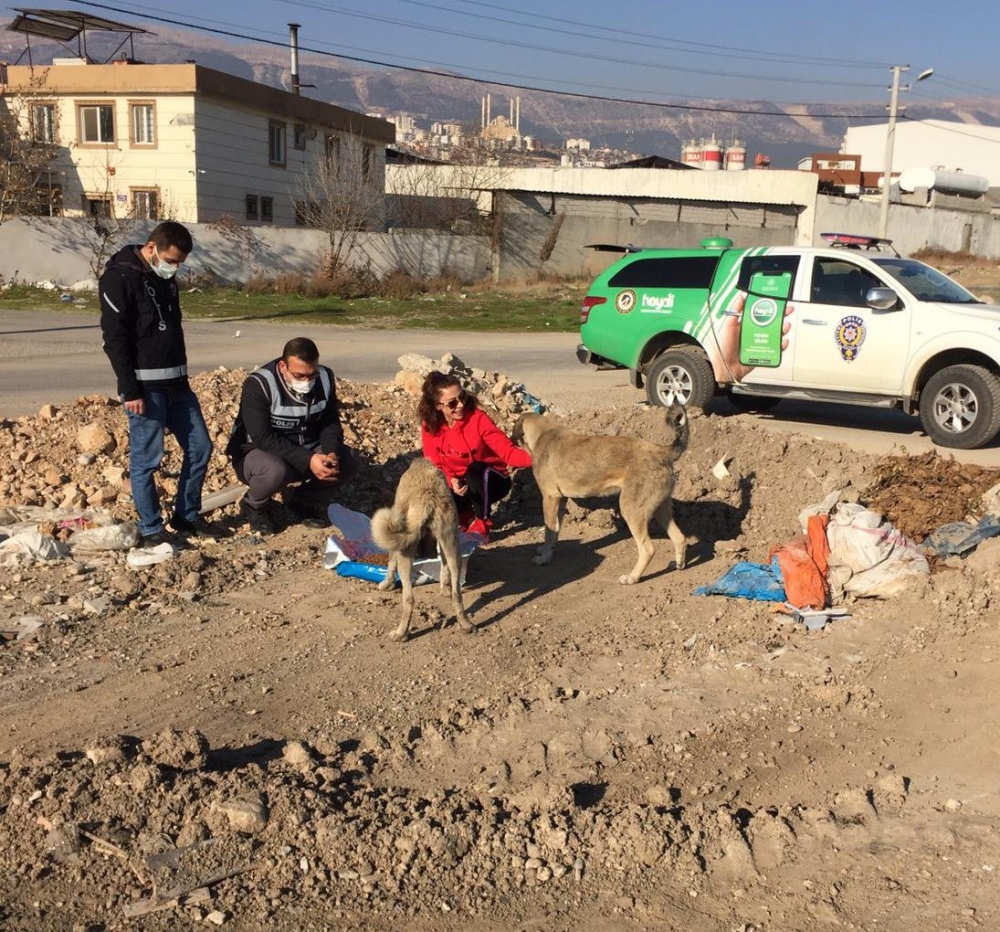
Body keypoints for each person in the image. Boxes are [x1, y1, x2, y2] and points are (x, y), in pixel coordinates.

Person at [99, 220, 218, 549]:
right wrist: (130, 389)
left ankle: (186, 516)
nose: (175, 268)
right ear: (151, 248)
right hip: (145, 389)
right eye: (171, 260)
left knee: (200, 448)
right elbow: (115, 339)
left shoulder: (167, 280)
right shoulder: (119, 277)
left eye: (180, 263)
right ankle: (151, 528)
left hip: (178, 384)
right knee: (147, 461)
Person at [227, 337, 356, 535]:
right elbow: (262, 437)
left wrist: (330, 453)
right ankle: (254, 506)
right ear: (282, 366)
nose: (306, 381)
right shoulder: (259, 385)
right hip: (262, 453)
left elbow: (330, 423)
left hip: (308, 447)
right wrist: (309, 459)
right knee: (275, 470)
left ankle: (303, 501)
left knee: (347, 461)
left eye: (311, 375)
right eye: (299, 375)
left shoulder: (325, 378)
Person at [419, 371, 532, 542]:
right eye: (452, 403)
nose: (461, 404)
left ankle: (482, 522)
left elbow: (508, 452)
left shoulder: (478, 419)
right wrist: (451, 480)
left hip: (491, 480)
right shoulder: (430, 426)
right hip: (460, 485)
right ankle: (464, 515)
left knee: (475, 470)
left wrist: (541, 457)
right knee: (430, 480)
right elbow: (432, 462)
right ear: (437, 406)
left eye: (462, 396)